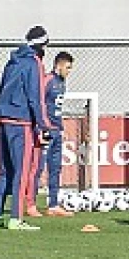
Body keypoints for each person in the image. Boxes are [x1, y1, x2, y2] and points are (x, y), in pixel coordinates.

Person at [0, 26, 52, 231]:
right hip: (21, 122)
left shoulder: (11, 61)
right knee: (22, 171)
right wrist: (44, 126)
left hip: (4, 119)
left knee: (5, 171)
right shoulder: (33, 64)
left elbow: (2, 89)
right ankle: (16, 218)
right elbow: (36, 97)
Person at [28, 52, 76, 217]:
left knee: (55, 168)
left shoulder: (62, 82)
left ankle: (53, 204)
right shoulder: (47, 80)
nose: (69, 71)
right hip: (45, 130)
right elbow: (38, 102)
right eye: (68, 67)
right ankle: (31, 204)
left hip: (57, 130)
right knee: (38, 168)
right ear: (59, 65)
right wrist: (41, 128)